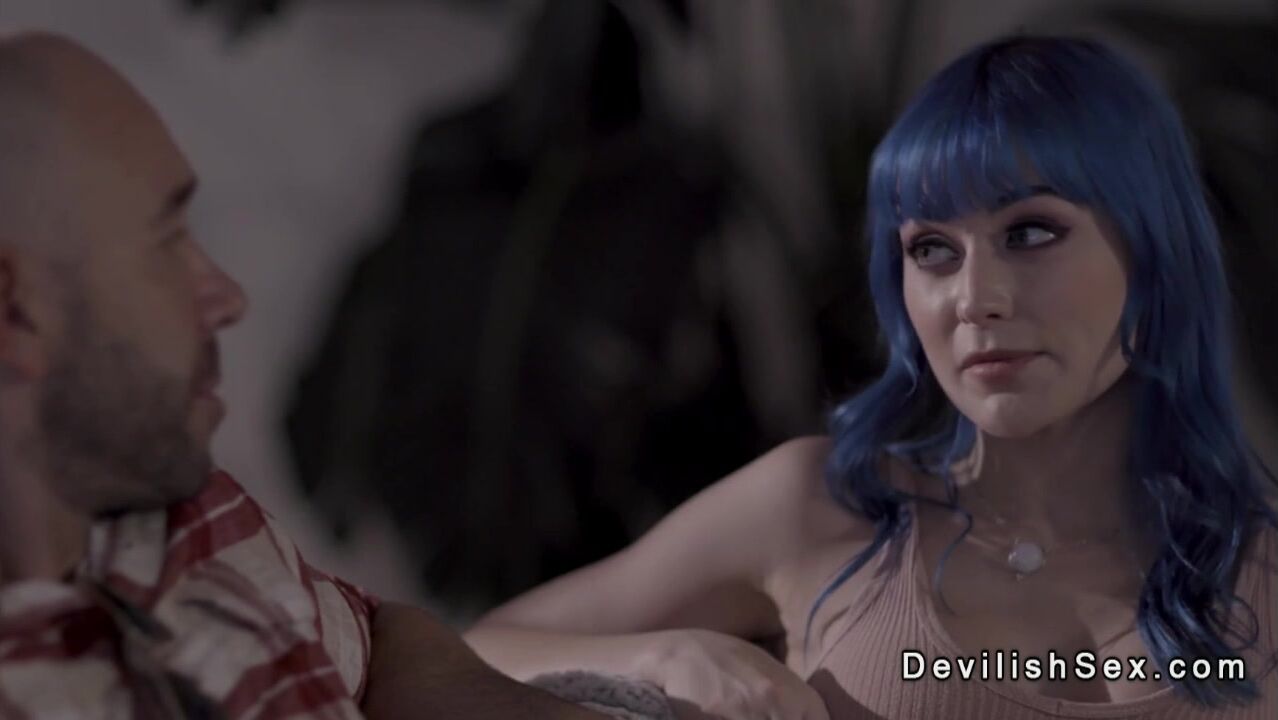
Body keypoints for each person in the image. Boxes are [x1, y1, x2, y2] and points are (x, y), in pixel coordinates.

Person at [465, 34, 1278, 719]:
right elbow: (477, 650)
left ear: (1155, 254)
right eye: (933, 249)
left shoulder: (1262, 566)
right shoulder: (818, 508)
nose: (975, 298)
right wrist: (665, 654)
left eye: (1030, 232)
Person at [0, 31, 608, 719]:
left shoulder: (180, 523)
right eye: (166, 241)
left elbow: (380, 636)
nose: (227, 296)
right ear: (15, 312)